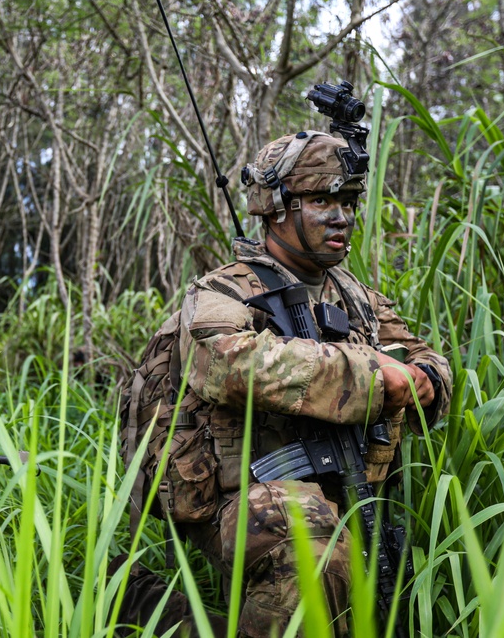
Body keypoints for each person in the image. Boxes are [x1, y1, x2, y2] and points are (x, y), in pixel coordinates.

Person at [116, 131, 452, 637]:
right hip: (239, 495)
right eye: (320, 200)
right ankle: (137, 602)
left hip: (350, 491)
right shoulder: (222, 290)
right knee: (313, 553)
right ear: (275, 208)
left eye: (347, 201)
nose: (340, 216)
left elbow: (424, 355)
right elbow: (226, 361)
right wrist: (369, 376)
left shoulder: (359, 297)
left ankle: (152, 609)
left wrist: (427, 380)